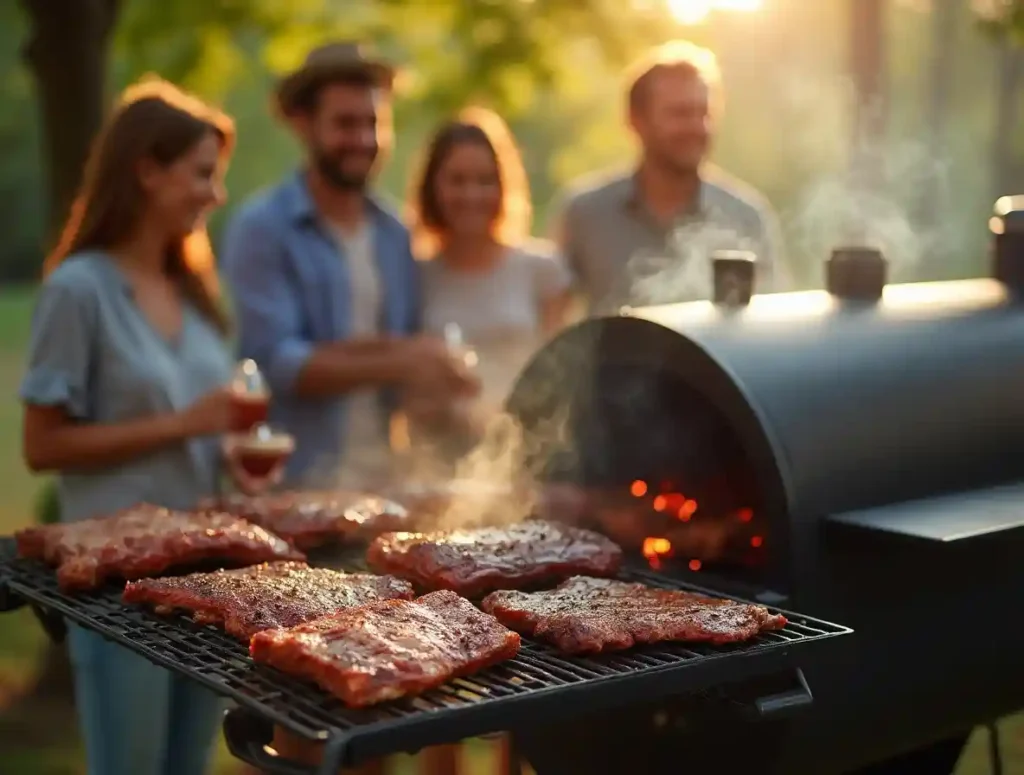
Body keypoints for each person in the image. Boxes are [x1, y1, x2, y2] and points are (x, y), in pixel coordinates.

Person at [19, 77, 238, 775]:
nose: (215, 193)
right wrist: (183, 423)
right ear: (147, 169)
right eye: (203, 173)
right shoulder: (77, 289)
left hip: (206, 581)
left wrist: (234, 449)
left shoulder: (196, 293)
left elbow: (208, 427)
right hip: (117, 589)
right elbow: (40, 444)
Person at [222, 41, 478, 489]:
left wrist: (443, 384)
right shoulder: (262, 228)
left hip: (384, 484)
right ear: (303, 125)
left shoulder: (396, 234)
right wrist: (407, 359)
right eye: (344, 124)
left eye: (373, 123)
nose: (362, 140)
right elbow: (281, 366)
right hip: (295, 488)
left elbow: (401, 371)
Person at [554, 40, 787, 315]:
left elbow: (774, 324)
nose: (696, 127)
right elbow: (550, 322)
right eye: (680, 113)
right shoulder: (585, 213)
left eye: (704, 113)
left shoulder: (746, 216)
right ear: (635, 120)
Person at [404, 107, 572, 458]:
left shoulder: (542, 269)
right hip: (437, 460)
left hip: (522, 458)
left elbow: (561, 382)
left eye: (484, 181)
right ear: (433, 187)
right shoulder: (413, 275)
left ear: (503, 186)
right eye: (457, 180)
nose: (471, 195)